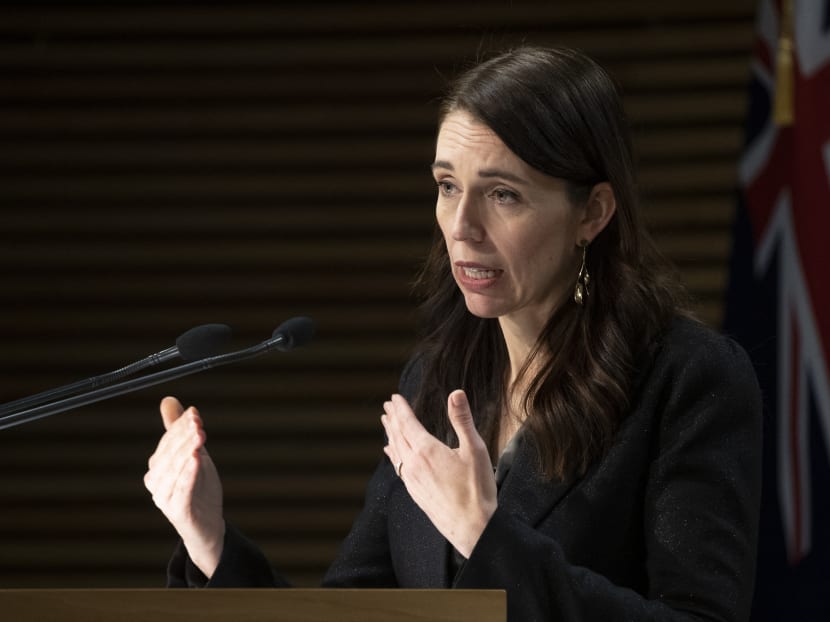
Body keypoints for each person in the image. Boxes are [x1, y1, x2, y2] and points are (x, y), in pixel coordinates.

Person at [144, 46, 762, 621]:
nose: (462, 225)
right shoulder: (437, 379)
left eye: (503, 194)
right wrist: (212, 544)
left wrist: (487, 538)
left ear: (592, 213)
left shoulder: (686, 379)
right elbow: (352, 612)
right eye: (447, 186)